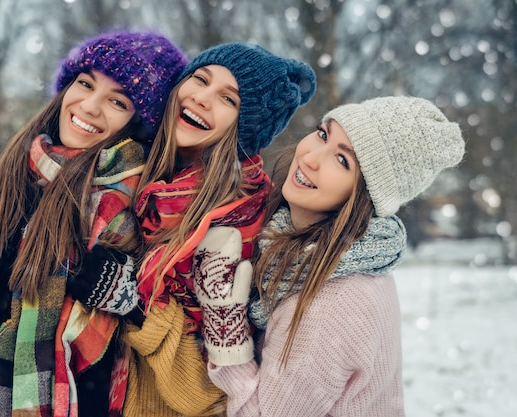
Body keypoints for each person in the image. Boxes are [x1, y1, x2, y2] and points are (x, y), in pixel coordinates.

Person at [0, 31, 187, 417]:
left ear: (139, 125)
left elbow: (162, 317)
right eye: (85, 83)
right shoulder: (21, 173)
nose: (90, 106)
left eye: (117, 101)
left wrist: (128, 298)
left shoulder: (133, 212)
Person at [192, 96, 466, 416]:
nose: (311, 157)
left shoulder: (334, 301)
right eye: (323, 134)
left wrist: (224, 325)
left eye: (342, 160)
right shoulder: (307, 256)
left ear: (364, 196)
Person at [112, 42, 317, 416]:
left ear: (244, 128)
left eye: (228, 99)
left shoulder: (241, 225)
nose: (202, 98)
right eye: (200, 79)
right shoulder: (128, 177)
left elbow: (210, 397)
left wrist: (135, 308)